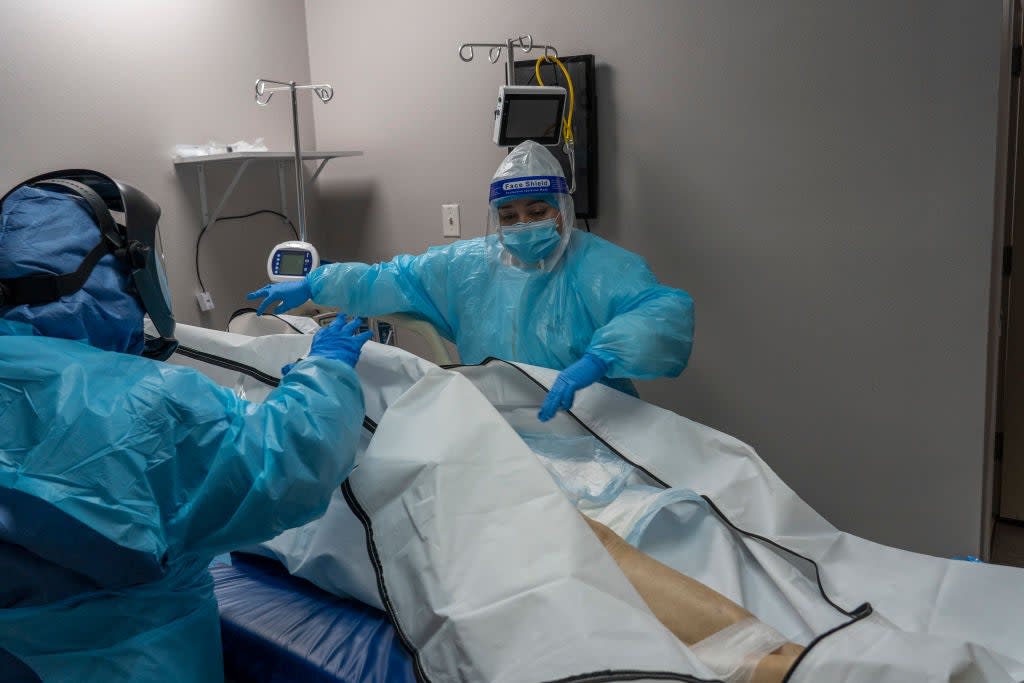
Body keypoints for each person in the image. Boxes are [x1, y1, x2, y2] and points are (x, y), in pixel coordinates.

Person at [0, 171, 372, 682]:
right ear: (123, 275)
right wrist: (326, 372)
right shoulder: (146, 403)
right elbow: (292, 461)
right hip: (133, 660)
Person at [247, 140, 694, 422]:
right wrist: (315, 284)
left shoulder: (599, 266)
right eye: (509, 215)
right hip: (499, 425)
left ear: (562, 209)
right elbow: (387, 280)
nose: (523, 224)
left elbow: (662, 311)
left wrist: (599, 359)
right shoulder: (468, 266)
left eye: (538, 212)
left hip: (595, 421)